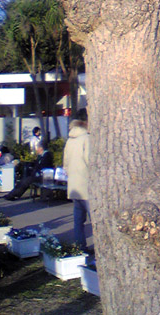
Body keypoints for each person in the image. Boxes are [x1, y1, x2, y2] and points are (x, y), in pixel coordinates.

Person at [63, 107, 90, 252]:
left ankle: (80, 248)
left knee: (78, 221)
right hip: (87, 185)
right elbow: (90, 161)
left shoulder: (70, 140)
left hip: (74, 186)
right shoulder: (86, 138)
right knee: (96, 221)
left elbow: (66, 163)